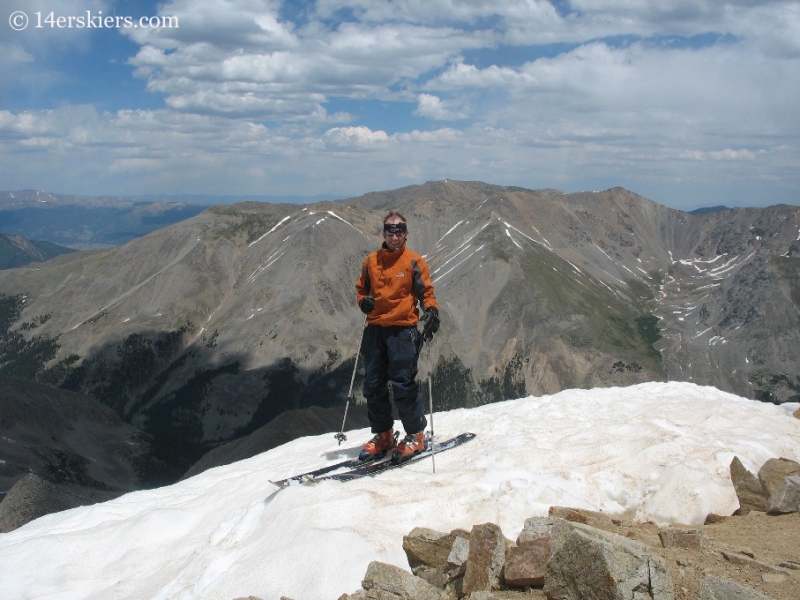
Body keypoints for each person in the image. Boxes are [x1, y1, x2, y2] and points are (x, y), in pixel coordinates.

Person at [355, 211, 440, 463]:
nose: (395, 235)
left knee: (403, 383)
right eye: (390, 230)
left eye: (399, 230)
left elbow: (427, 291)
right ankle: (384, 435)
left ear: (406, 234)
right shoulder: (371, 261)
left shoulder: (414, 261)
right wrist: (364, 303)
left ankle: (415, 435)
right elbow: (362, 290)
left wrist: (432, 310)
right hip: (376, 330)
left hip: (404, 330)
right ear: (383, 233)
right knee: (373, 384)